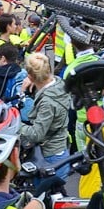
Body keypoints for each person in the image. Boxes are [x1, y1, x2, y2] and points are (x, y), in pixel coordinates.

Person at [19, 52, 71, 182]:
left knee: (42, 198)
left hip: (49, 158)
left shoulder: (47, 103)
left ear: (30, 76)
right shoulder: (59, 84)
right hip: (62, 150)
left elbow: (37, 134)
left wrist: (15, 125)